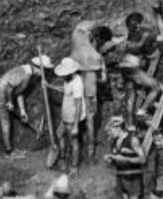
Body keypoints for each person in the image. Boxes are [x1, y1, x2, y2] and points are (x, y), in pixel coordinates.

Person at [0, 56, 53, 156]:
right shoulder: (25, 72)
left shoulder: (28, 73)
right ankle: (8, 152)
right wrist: (10, 102)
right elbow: (9, 87)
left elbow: (19, 93)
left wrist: (23, 111)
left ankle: (9, 148)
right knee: (5, 121)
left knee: (6, 120)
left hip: (2, 92)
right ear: (40, 69)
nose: (43, 75)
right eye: (45, 71)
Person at [70, 19, 109, 160]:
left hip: (74, 89)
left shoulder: (74, 52)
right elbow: (103, 80)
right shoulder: (97, 56)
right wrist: (99, 77)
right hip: (90, 90)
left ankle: (70, 152)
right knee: (90, 120)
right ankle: (90, 154)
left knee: (73, 117)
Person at [51, 57, 85, 173]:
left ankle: (74, 167)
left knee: (73, 141)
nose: (62, 76)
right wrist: (49, 86)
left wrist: (76, 125)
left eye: (64, 74)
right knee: (59, 134)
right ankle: (62, 159)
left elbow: (78, 104)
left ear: (70, 72)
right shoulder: (67, 80)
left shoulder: (77, 83)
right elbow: (64, 90)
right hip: (65, 115)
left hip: (72, 118)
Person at [105, 116, 145, 199]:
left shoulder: (133, 140)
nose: (109, 133)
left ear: (118, 128)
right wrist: (112, 160)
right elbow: (118, 159)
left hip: (134, 180)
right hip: (121, 179)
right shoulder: (114, 141)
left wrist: (125, 159)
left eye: (110, 130)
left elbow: (142, 160)